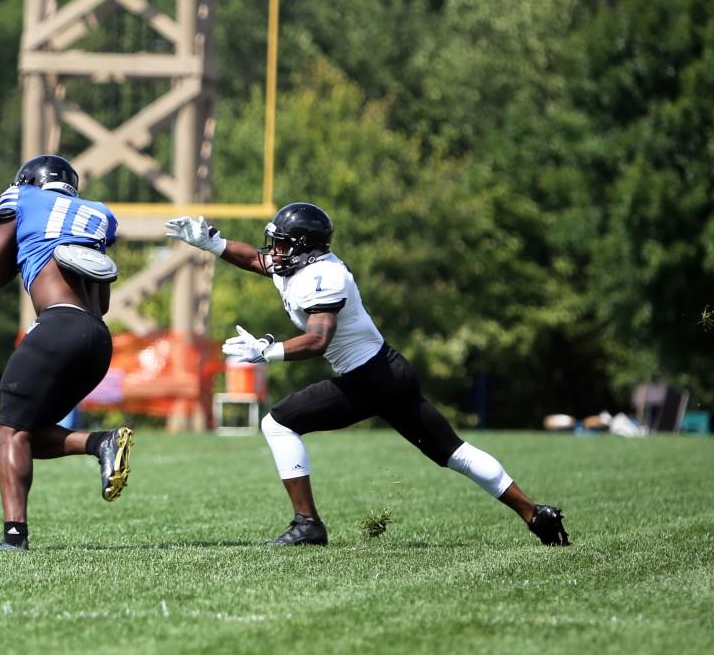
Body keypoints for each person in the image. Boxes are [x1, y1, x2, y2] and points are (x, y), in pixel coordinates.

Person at [166, 203, 570, 547]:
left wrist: (266, 351)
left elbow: (318, 339)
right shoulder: (300, 264)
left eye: (283, 243)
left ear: (305, 248)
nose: (274, 251)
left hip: (369, 378)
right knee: (454, 453)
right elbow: (257, 259)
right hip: (389, 370)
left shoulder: (323, 277)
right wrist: (212, 243)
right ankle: (536, 516)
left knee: (278, 423)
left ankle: (307, 524)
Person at [0, 154, 134, 551]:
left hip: (57, 326)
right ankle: (99, 443)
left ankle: (14, 538)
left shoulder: (23, 199)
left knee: (10, 433)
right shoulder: (99, 215)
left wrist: (25, 249)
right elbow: (101, 303)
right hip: (97, 339)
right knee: (28, 433)